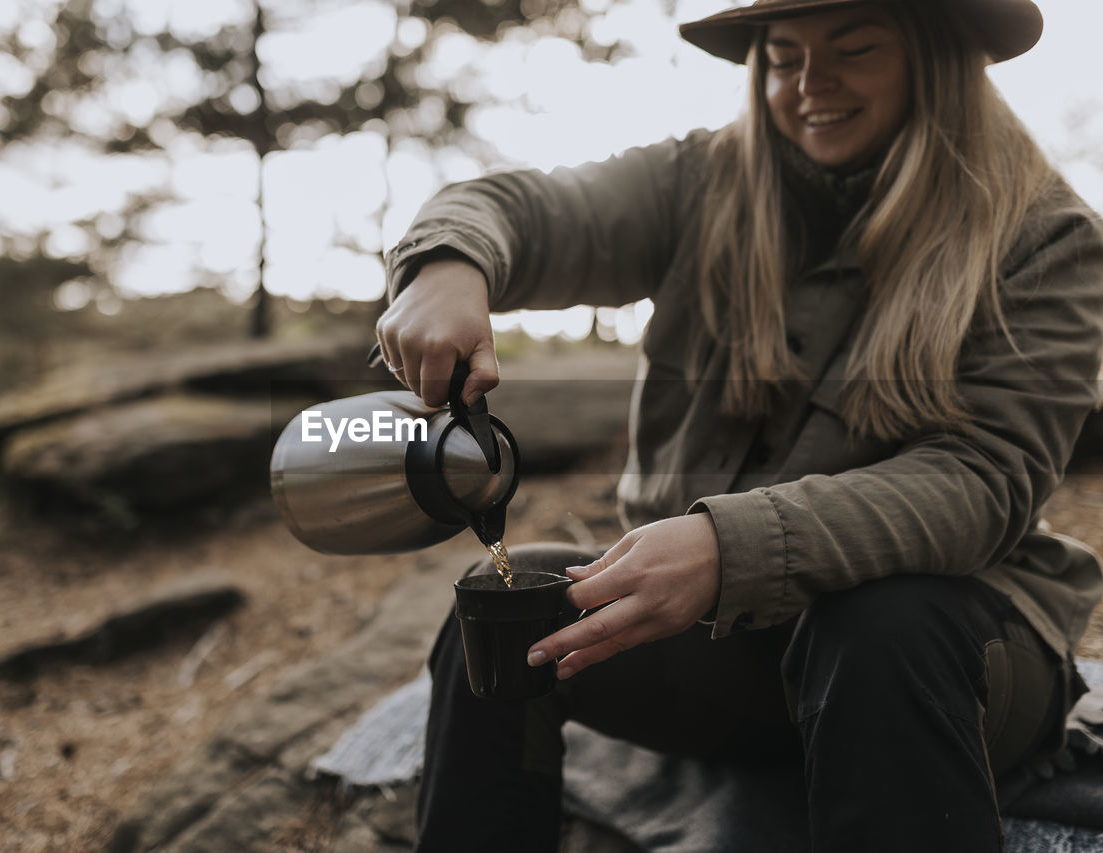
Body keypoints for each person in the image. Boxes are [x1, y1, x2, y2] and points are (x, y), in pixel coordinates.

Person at [374, 0, 1103, 849]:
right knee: (505, 608)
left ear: (939, 59)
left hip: (955, 662)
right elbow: (534, 210)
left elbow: (983, 480)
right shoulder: (700, 181)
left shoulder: (1045, 238)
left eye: (853, 48)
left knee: (879, 623)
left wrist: (730, 547)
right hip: (736, 659)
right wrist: (447, 262)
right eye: (782, 55)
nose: (808, 84)